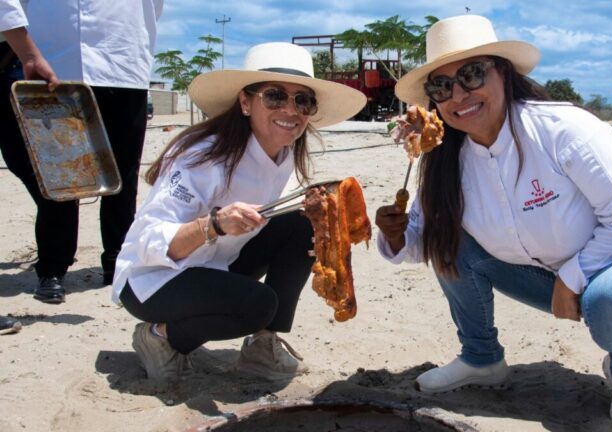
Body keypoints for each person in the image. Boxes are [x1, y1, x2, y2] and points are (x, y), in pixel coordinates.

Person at [375, 15, 612, 421]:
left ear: (503, 74)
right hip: (540, 273)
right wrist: (396, 235)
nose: (459, 94)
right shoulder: (446, 159)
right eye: (442, 86)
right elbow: (429, 245)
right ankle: (481, 359)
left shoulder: (565, 130)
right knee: (450, 237)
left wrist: (572, 277)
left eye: (472, 75)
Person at [112, 42, 366, 383]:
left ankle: (263, 347)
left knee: (304, 221)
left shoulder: (283, 153)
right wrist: (214, 225)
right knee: (258, 304)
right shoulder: (202, 157)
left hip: (216, 265)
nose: (291, 110)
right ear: (245, 102)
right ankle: (160, 337)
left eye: (302, 100)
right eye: (275, 96)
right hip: (155, 279)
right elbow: (147, 242)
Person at [0, 0, 163, 305]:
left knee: (123, 174)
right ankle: (53, 266)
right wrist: (28, 52)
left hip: (124, 60)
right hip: (54, 63)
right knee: (59, 174)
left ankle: (117, 259)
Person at [1, 2, 60, 333]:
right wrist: (29, 54)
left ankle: (53, 265)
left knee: (42, 173)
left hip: (10, 58)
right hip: (13, 55)